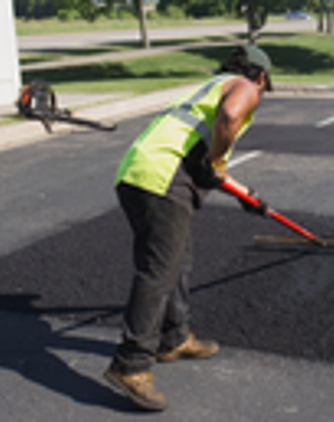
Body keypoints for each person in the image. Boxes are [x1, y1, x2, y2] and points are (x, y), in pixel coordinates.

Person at [104, 44, 273, 411]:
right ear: (260, 77)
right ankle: (130, 364)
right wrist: (216, 161)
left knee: (178, 259)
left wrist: (247, 194)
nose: (259, 94)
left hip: (137, 173)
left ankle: (174, 337)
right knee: (158, 271)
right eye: (263, 86)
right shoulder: (243, 87)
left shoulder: (206, 90)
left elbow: (205, 166)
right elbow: (229, 120)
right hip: (162, 180)